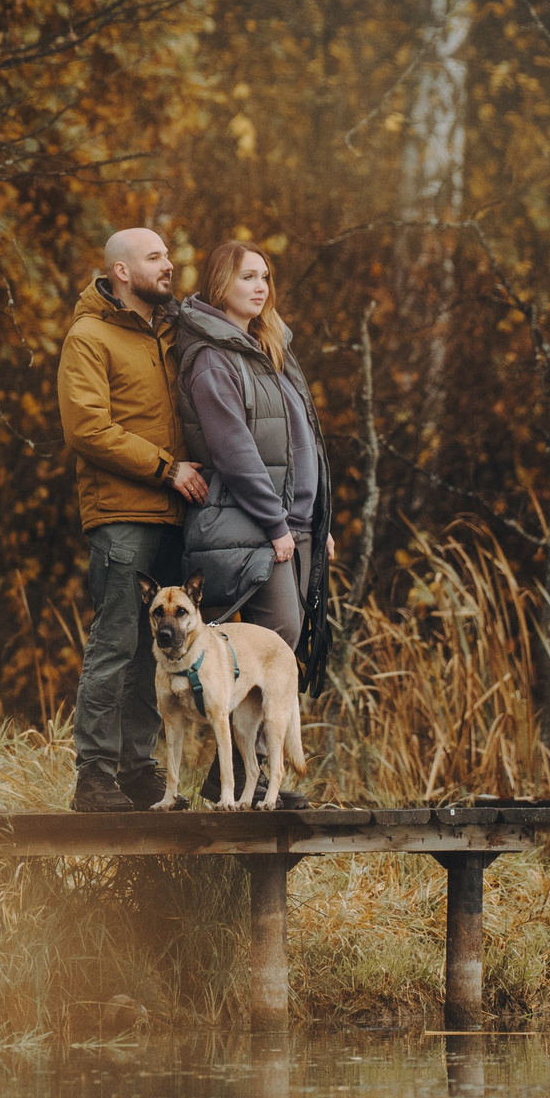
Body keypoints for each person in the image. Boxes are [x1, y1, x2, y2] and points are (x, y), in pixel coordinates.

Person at [173, 239, 333, 807]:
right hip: (250, 523)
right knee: (276, 636)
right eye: (247, 276)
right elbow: (235, 449)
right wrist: (275, 524)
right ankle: (241, 773)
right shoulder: (213, 356)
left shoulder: (269, 347)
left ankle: (244, 776)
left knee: (284, 645)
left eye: (265, 276)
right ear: (221, 284)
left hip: (295, 521)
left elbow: (301, 442)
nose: (260, 287)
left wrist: (319, 519)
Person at [56, 228, 209, 812]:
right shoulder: (88, 336)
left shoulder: (170, 333)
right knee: (116, 645)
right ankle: (93, 777)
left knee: (158, 649)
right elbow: (87, 429)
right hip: (123, 516)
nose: (168, 265)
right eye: (154, 258)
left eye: (169, 254)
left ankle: (139, 771)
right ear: (122, 271)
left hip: (176, 518)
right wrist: (166, 469)